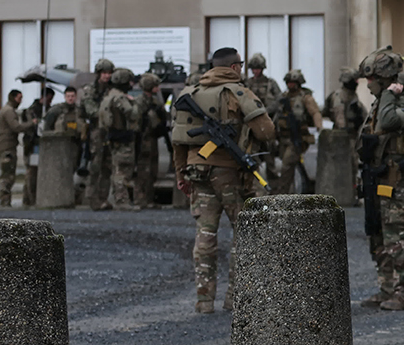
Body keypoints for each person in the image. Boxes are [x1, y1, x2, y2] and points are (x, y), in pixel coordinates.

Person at [171, 47, 274, 314]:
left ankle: (204, 300)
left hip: (197, 172)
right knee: (243, 232)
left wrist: (181, 174)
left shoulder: (189, 93)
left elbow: (178, 141)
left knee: (205, 234)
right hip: (228, 173)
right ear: (235, 67)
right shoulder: (237, 92)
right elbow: (265, 131)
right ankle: (234, 299)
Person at [358, 47, 404, 311]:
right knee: (377, 234)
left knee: (396, 236)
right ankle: (387, 288)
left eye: (371, 80)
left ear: (384, 79)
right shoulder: (384, 100)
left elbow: (387, 123)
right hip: (378, 178)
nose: (367, 85)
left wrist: (390, 93)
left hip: (397, 181)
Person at [269, 69, 321, 195]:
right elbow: (273, 112)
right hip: (282, 138)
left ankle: (282, 192)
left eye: (293, 82)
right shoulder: (283, 97)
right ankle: (290, 193)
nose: (290, 85)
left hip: (296, 138)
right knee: (290, 167)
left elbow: (315, 112)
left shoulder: (305, 98)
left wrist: (319, 126)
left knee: (286, 165)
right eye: (288, 82)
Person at [99, 68, 142, 211]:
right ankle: (121, 201)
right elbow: (133, 114)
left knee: (117, 168)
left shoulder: (109, 95)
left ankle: (118, 199)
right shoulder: (121, 98)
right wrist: (135, 103)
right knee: (123, 170)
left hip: (113, 137)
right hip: (123, 137)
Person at [78, 59, 116, 211]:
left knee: (107, 166)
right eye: (104, 73)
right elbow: (92, 111)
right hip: (96, 132)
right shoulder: (91, 90)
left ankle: (103, 198)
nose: (107, 76)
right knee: (95, 166)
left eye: (109, 73)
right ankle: (92, 199)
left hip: (110, 131)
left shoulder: (111, 90)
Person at [132, 73, 168, 209]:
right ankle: (139, 199)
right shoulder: (140, 102)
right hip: (143, 139)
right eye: (156, 86)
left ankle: (149, 199)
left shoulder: (155, 102)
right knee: (142, 171)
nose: (158, 89)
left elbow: (162, 119)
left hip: (152, 139)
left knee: (152, 170)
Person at [0, 89, 35, 208]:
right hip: (7, 147)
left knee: (8, 173)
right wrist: (31, 123)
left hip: (7, 146)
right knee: (8, 174)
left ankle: (5, 200)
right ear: (13, 98)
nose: (21, 101)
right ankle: (5, 201)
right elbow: (16, 127)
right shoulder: (9, 112)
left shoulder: (7, 110)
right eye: (19, 98)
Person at [24, 85, 53, 204]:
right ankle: (29, 199)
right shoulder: (32, 110)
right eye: (49, 98)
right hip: (32, 145)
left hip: (43, 145)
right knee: (32, 173)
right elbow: (31, 126)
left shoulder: (49, 109)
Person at [322, 68, 365, 133]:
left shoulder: (353, 96)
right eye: (355, 80)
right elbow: (339, 116)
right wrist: (343, 129)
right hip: (341, 134)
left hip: (354, 132)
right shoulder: (339, 96)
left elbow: (363, 113)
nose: (357, 83)